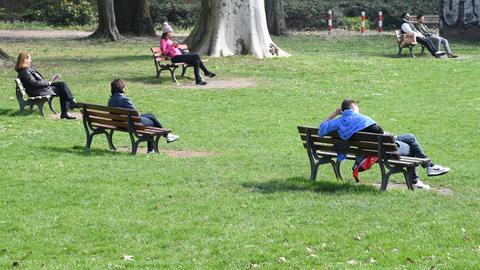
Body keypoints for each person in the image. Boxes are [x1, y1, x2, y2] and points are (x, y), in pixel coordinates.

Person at [319, 99, 450, 190]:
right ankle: (427, 168)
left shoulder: (338, 121)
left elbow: (321, 129)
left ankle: (423, 173)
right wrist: (388, 135)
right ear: (353, 108)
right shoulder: (362, 119)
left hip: (369, 149)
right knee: (411, 144)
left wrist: (335, 114)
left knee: (409, 138)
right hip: (384, 150)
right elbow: (379, 132)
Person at [107, 79, 179, 153]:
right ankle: (156, 144)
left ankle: (167, 136)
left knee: (150, 115)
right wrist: (139, 114)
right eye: (124, 87)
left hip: (118, 124)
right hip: (131, 124)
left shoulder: (111, 99)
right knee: (152, 121)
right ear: (121, 88)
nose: (125, 88)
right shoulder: (124, 98)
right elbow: (135, 113)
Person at [15, 52, 78, 119]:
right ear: (25, 60)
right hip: (37, 91)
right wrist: (48, 83)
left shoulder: (27, 70)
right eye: (30, 59)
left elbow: (35, 82)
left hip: (39, 88)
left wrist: (49, 81)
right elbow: (34, 83)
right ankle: (70, 105)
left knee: (62, 85)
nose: (31, 60)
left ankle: (70, 104)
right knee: (62, 89)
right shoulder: (25, 72)